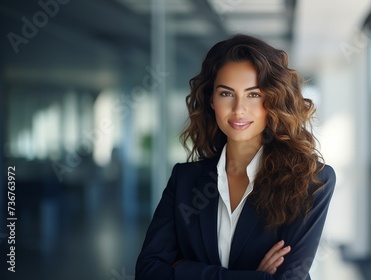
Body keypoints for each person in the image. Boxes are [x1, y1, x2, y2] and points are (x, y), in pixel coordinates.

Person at [136, 34, 336, 279]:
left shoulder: (311, 181)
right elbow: (148, 272)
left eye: (253, 94)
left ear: (272, 100)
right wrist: (256, 276)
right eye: (226, 94)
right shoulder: (184, 180)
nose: (239, 108)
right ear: (211, 100)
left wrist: (184, 270)